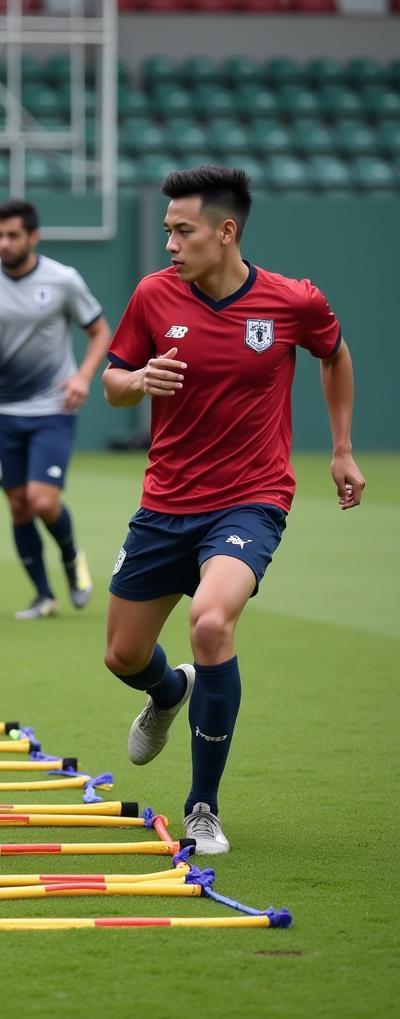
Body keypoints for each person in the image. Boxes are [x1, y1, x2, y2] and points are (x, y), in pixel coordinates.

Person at [102, 165, 365, 854]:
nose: (169, 245)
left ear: (226, 232)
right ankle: (166, 693)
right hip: (164, 503)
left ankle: (202, 806)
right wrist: (138, 379)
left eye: (182, 232)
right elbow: (112, 384)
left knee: (211, 622)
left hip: (251, 500)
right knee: (123, 655)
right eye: (166, 231)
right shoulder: (153, 297)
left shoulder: (292, 301)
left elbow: (333, 355)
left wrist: (340, 448)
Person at [0, 199, 112, 619]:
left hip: (54, 405)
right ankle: (43, 596)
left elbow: (99, 332)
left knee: (41, 500)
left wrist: (83, 377)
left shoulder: (63, 280)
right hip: (4, 406)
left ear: (33, 237)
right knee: (18, 504)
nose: (4, 243)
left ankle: (72, 556)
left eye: (13, 235)